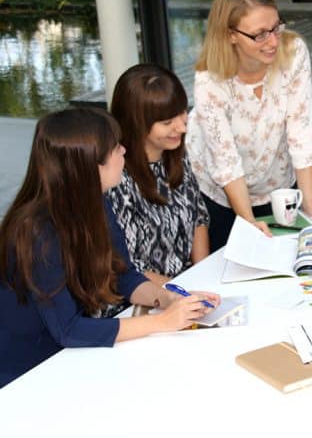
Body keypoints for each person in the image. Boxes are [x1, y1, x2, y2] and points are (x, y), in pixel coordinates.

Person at [0, 108, 220, 388]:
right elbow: (68, 330)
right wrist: (163, 322)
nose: (124, 151)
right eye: (115, 148)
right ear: (91, 166)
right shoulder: (36, 233)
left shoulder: (95, 201)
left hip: (72, 356)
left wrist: (167, 299)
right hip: (28, 372)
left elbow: (123, 275)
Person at [187, 0, 312, 251]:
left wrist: (310, 204)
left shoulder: (293, 52)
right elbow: (225, 161)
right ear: (231, 34)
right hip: (221, 192)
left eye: (276, 27)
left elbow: (301, 128)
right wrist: (247, 221)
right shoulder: (209, 79)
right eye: (259, 35)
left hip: (278, 185)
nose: (273, 42)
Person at [106, 63, 210, 287]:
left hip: (186, 285)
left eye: (182, 113)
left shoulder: (175, 154)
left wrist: (203, 278)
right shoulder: (115, 179)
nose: (182, 127)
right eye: (167, 122)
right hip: (144, 297)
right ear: (136, 123)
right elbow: (127, 268)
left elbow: (198, 218)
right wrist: (183, 292)